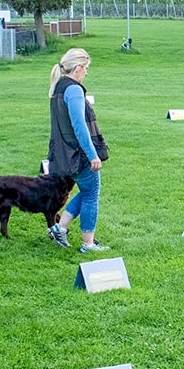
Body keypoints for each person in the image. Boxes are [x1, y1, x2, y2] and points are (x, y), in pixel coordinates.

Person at [46, 47, 110, 253]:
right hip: (76, 153)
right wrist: (92, 155)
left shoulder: (58, 87)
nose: (87, 72)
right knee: (92, 193)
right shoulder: (73, 89)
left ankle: (60, 228)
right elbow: (79, 126)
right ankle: (88, 244)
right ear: (78, 67)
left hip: (62, 153)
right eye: (86, 68)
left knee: (86, 190)